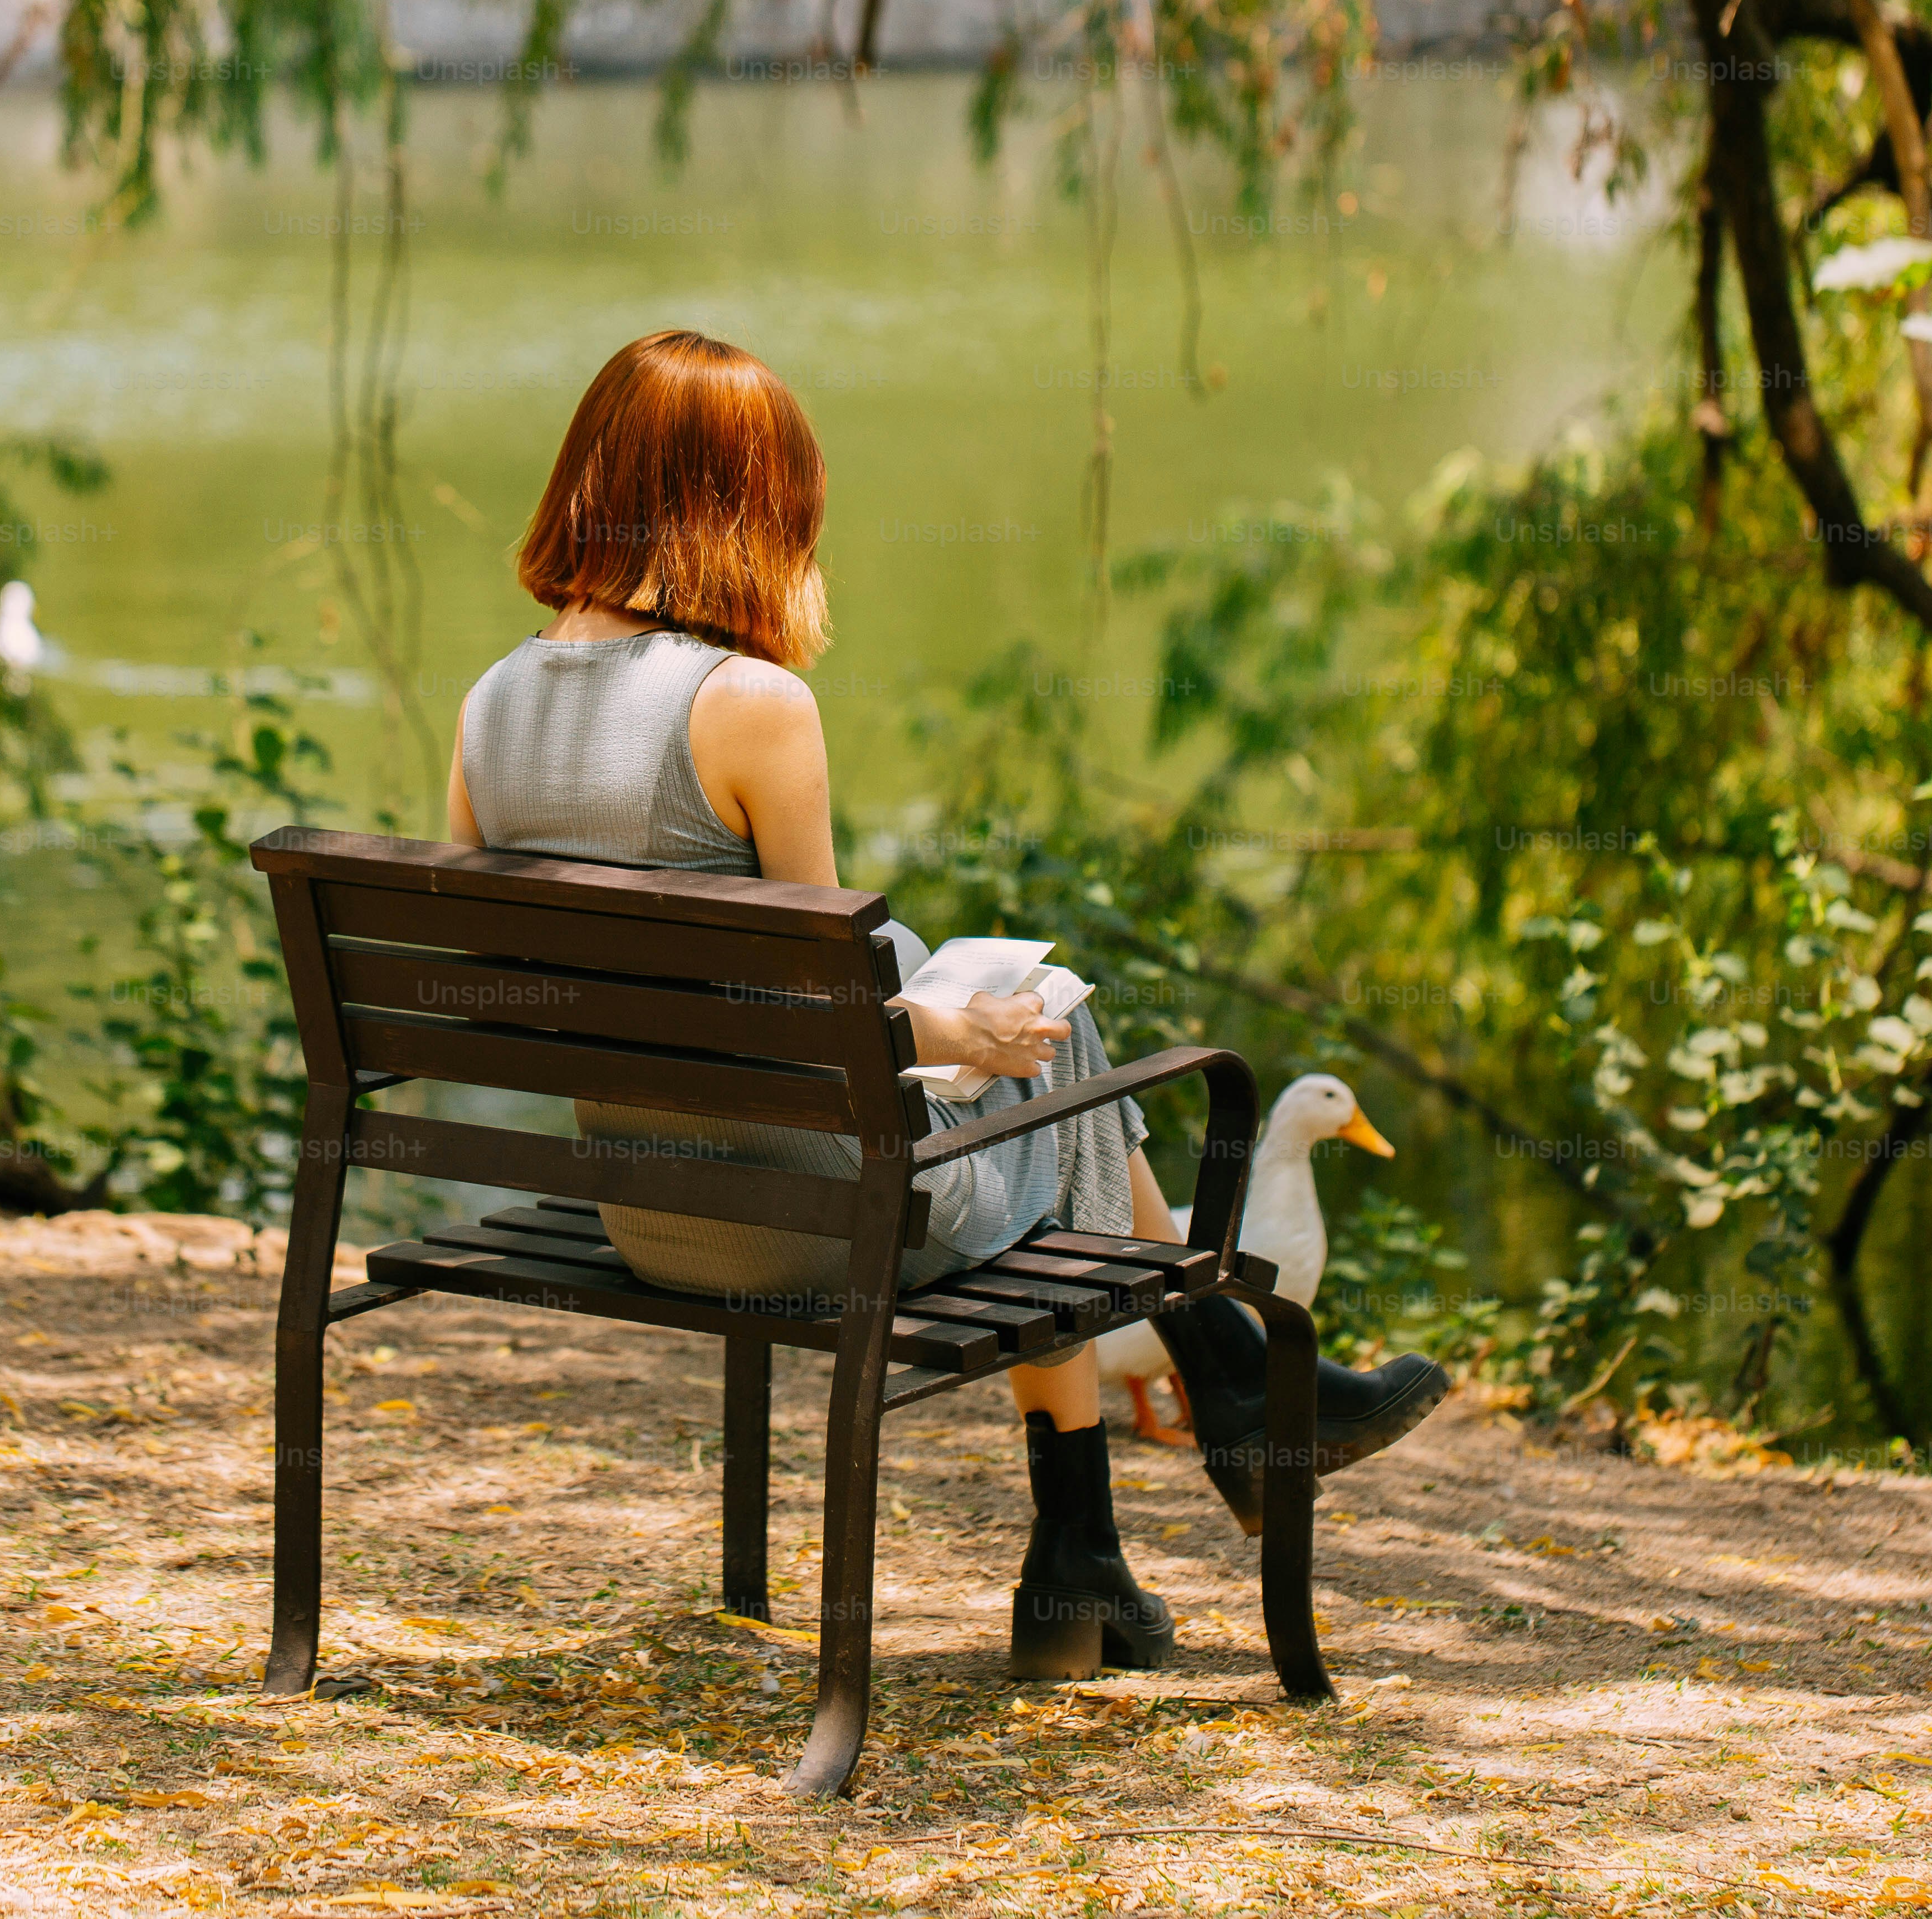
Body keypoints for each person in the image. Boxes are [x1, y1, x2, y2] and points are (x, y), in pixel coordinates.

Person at [446, 328, 1444, 1679]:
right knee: (1056, 1036)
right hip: (812, 1224)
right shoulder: (750, 705)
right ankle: (1195, 1426)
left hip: (647, 1210)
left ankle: (1130, 1509)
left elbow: (506, 995)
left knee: (1027, 1030)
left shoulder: (492, 706)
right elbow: (824, 1024)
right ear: (743, 503)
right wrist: (950, 1030)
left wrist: (931, 1025)